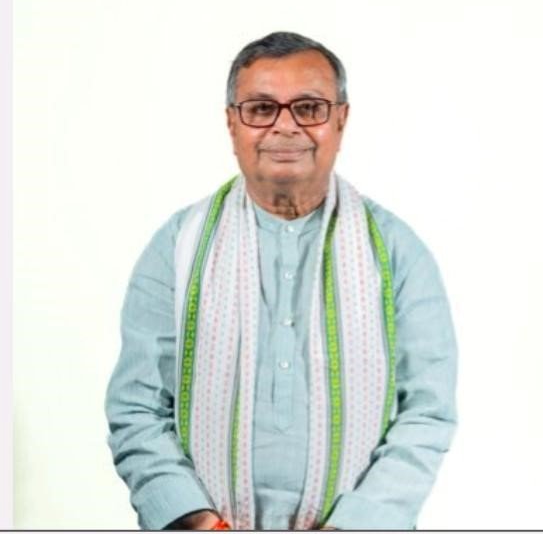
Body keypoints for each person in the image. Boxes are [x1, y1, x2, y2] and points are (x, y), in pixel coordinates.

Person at [105, 31, 458, 531]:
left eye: (309, 108)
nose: (285, 126)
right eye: (261, 109)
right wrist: (198, 521)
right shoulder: (178, 246)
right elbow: (136, 406)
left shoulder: (397, 252)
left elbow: (427, 413)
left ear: (341, 120)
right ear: (232, 123)